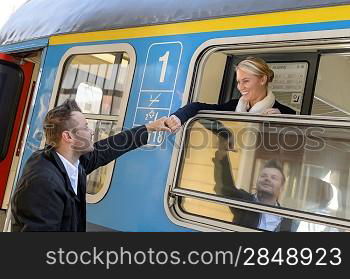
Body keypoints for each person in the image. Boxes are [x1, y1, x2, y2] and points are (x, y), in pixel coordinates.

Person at [11, 99, 170, 231]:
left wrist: (150, 128)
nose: (91, 131)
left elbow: (107, 148)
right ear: (68, 137)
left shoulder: (71, 161)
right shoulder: (42, 183)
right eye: (86, 127)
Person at [165, 56, 296, 132]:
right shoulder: (233, 106)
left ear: (263, 79)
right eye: (238, 82)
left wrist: (281, 123)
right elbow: (198, 107)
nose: (240, 87)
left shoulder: (287, 113)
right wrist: (177, 118)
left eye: (246, 81)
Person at [227, 160, 292, 231]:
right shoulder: (244, 200)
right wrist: (222, 154)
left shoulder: (286, 219)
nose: (267, 179)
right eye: (263, 176)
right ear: (257, 181)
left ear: (281, 187)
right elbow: (224, 186)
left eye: (273, 178)